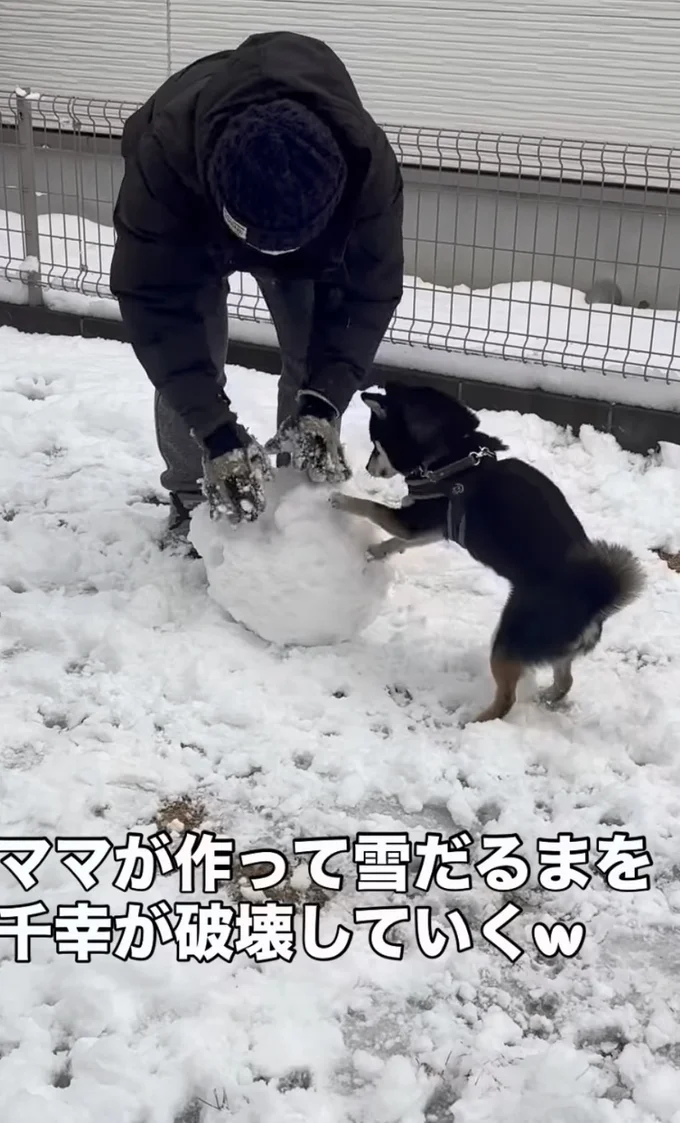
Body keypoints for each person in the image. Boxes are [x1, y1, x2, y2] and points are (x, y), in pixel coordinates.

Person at [109, 30, 404, 547]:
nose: (270, 265)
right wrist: (214, 431)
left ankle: (299, 498)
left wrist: (326, 400)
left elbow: (367, 295)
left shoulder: (366, 171)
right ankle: (195, 497)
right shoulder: (165, 162)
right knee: (195, 355)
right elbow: (158, 309)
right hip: (195, 223)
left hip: (309, 234)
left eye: (283, 250)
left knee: (313, 359)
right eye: (260, 246)